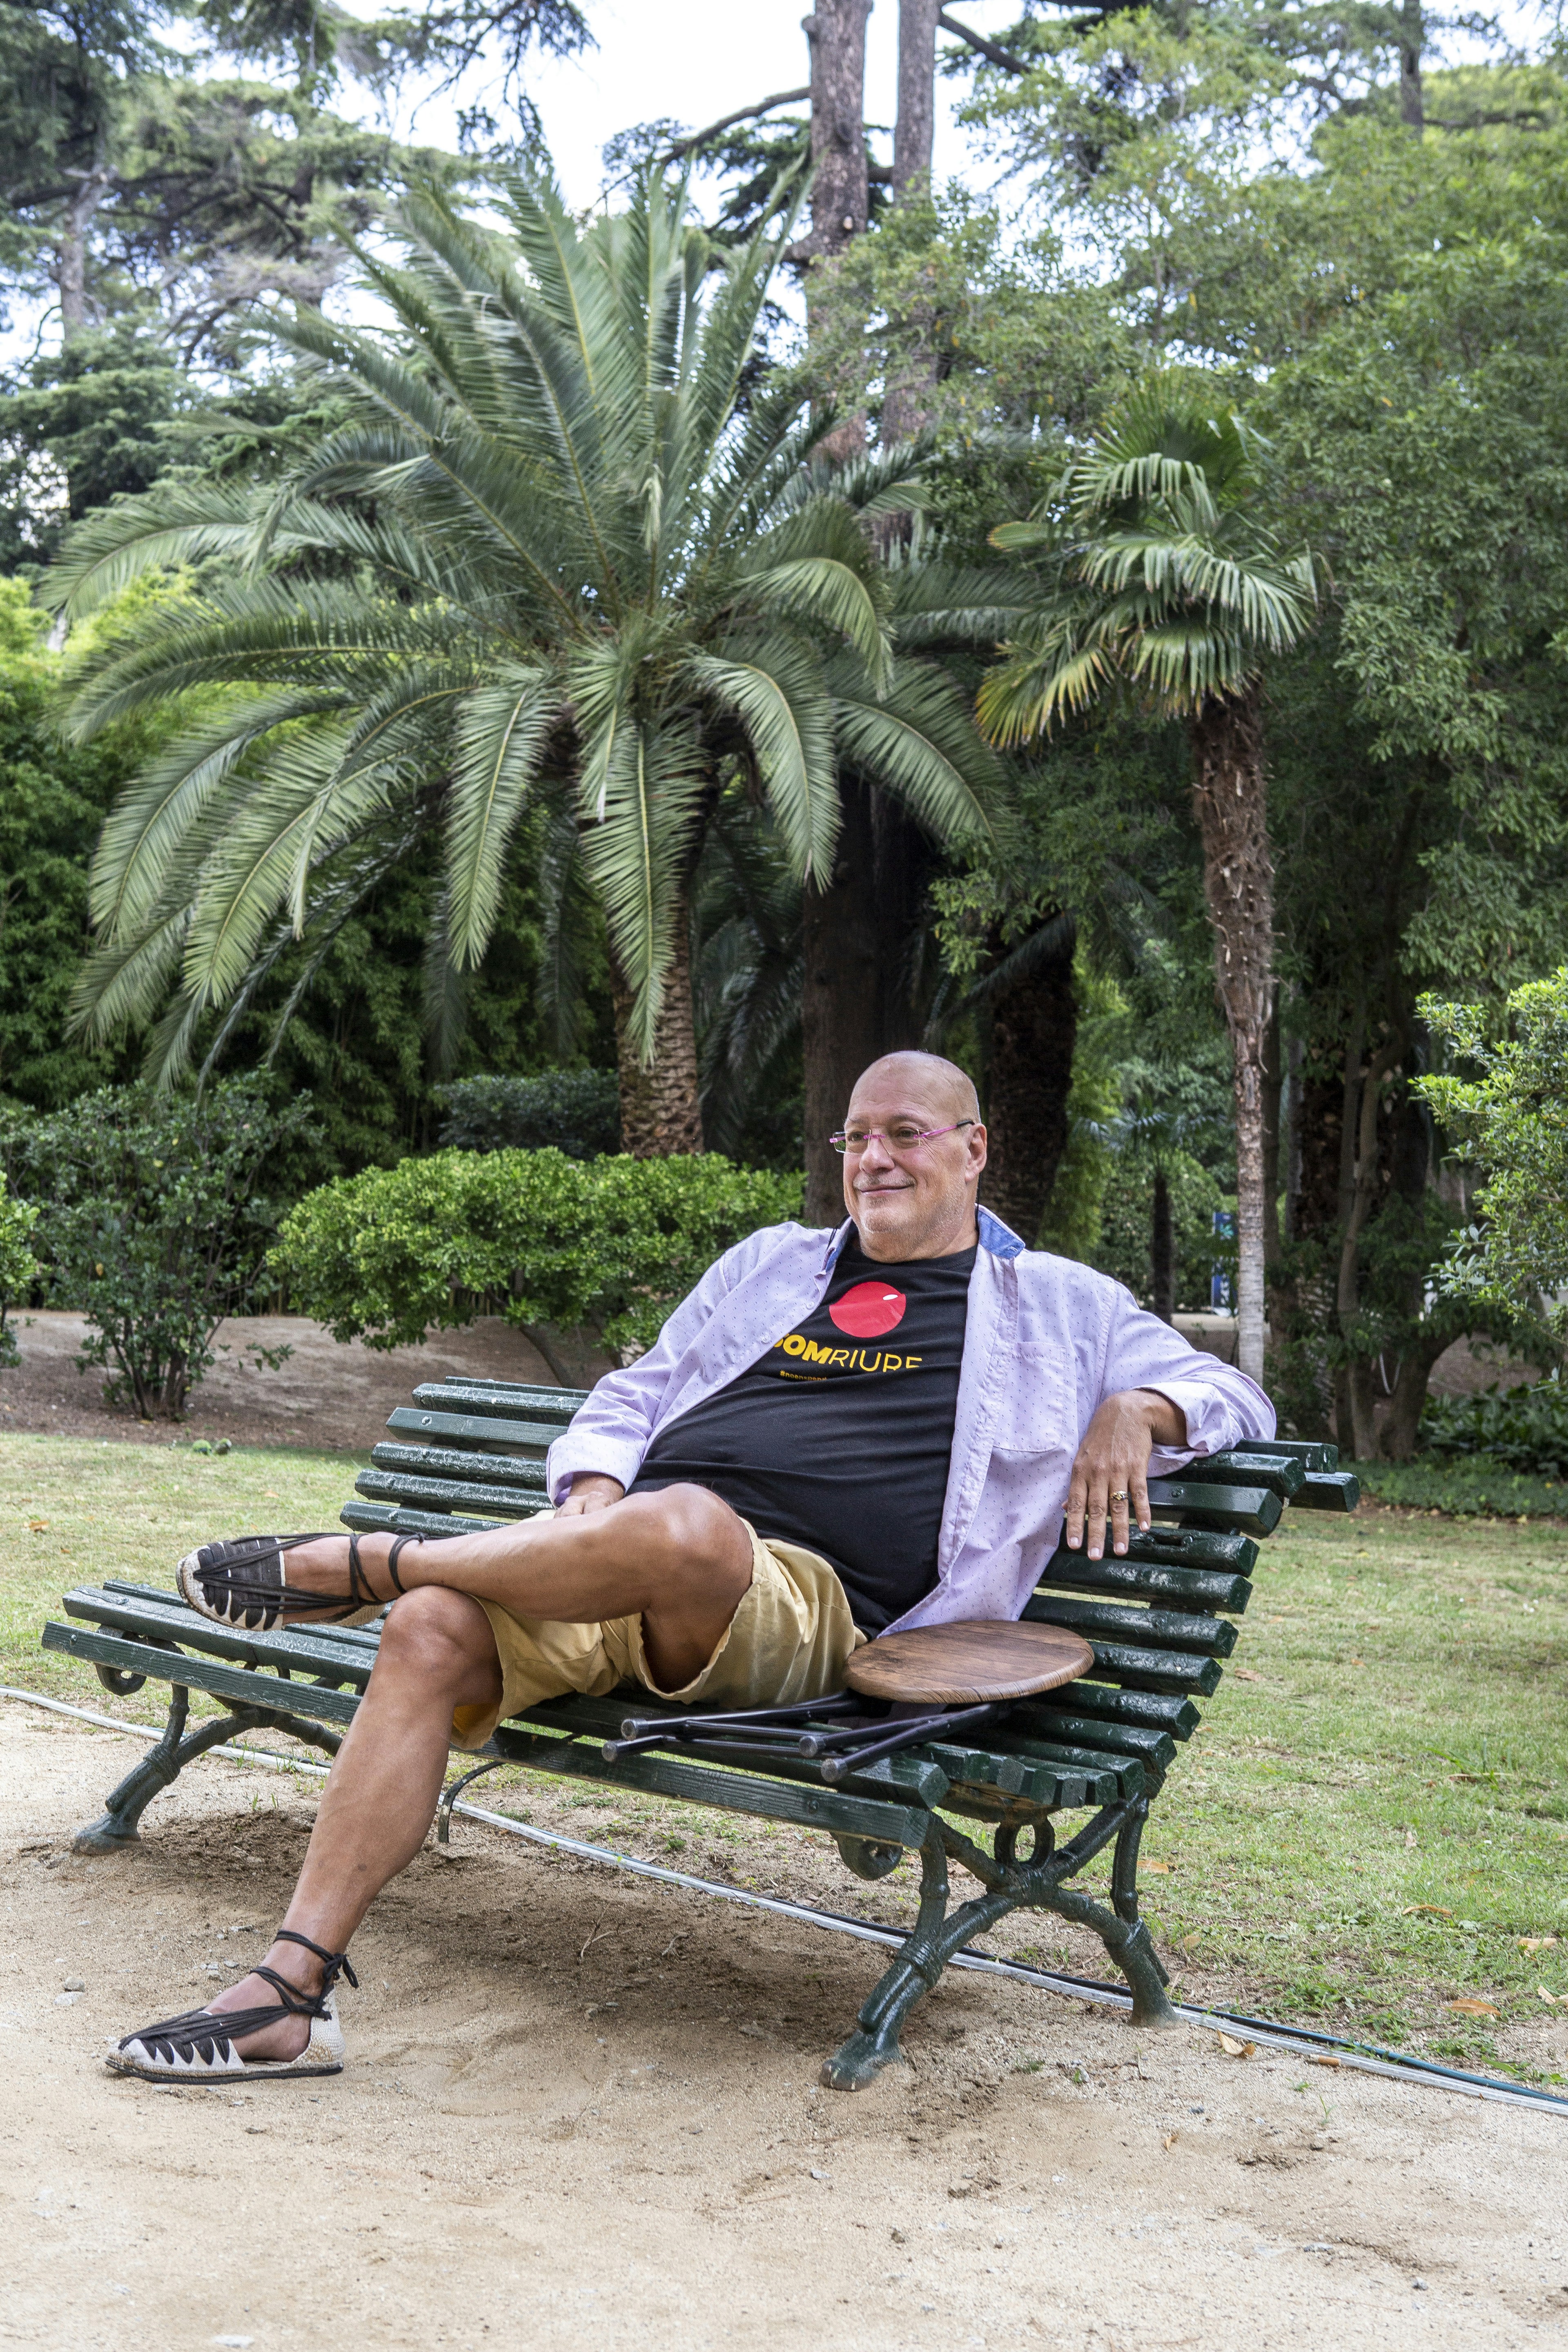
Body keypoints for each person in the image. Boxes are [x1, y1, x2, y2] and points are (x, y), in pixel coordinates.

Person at [109, 1051, 1273, 2082]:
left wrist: (1141, 1405)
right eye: (856, 1137)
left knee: (694, 1528)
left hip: (810, 1608)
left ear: (974, 1150)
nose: (873, 1158)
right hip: (619, 1559)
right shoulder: (773, 1265)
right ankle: (287, 1998)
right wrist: (594, 1500)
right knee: (430, 1633)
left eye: (904, 1134)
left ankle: (363, 1562)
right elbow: (638, 1390)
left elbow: (1237, 1396)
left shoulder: (1059, 1304)